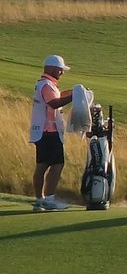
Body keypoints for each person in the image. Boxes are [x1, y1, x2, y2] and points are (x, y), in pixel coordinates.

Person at [30, 54, 78, 211]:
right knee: (57, 164)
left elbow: (57, 96)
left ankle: (40, 200)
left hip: (42, 131)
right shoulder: (47, 85)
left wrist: (73, 92)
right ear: (52, 69)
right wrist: (73, 96)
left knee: (42, 165)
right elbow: (54, 103)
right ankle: (49, 200)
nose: (62, 72)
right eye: (60, 70)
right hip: (49, 131)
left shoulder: (45, 84)